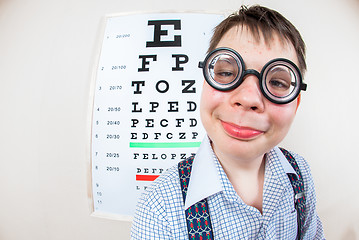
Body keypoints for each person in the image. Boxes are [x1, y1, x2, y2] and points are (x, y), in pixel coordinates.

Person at [131, 5, 324, 239]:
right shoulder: (159, 208)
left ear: (296, 102)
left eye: (277, 83)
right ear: (205, 84)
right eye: (225, 73)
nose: (248, 98)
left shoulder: (300, 174)